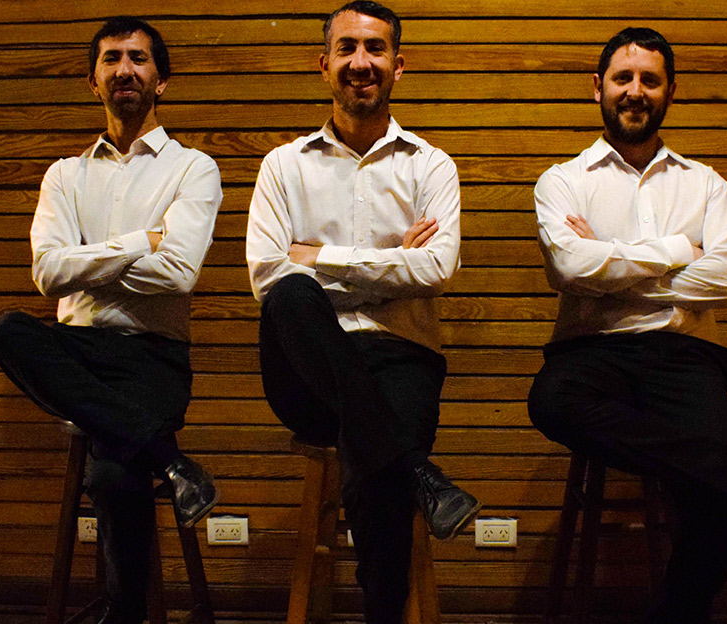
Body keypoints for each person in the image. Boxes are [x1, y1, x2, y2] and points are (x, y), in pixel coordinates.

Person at [527, 27, 727, 623]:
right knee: (551, 402)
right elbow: (570, 269)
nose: (635, 91)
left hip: (686, 355)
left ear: (670, 91)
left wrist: (611, 263)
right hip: (590, 352)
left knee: (718, 509)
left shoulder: (705, 184)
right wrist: (678, 251)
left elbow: (724, 281)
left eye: (650, 80)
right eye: (623, 78)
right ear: (598, 88)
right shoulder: (563, 181)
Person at [245, 2, 481, 621]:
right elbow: (268, 275)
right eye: (346, 48)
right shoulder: (283, 166)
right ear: (323, 64)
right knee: (292, 297)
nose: (360, 61)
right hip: (303, 373)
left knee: (375, 464)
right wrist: (389, 265)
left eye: (375, 48)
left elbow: (436, 270)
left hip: (402, 359)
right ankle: (420, 472)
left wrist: (319, 257)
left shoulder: (431, 166)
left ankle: (383, 607)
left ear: (398, 66)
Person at [0, 16, 222, 624]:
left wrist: (87, 260)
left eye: (138, 58)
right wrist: (142, 242)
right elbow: (48, 274)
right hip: (76, 351)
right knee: (7, 331)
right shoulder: (65, 174)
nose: (125, 69)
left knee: (116, 478)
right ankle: (170, 461)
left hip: (152, 355)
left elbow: (178, 274)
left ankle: (123, 612)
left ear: (160, 80)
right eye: (111, 58)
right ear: (93, 81)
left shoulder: (193, 168)